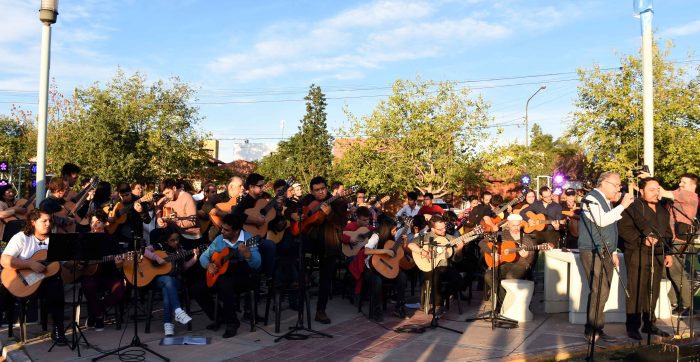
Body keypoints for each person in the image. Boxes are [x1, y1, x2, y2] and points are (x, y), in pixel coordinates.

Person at [578, 171, 634, 343]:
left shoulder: (607, 202)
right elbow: (601, 221)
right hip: (592, 250)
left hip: (607, 251)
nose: (619, 188)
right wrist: (622, 206)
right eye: (616, 185)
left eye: (619, 185)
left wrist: (615, 251)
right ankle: (591, 330)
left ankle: (598, 328)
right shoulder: (591, 199)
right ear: (604, 183)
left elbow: (611, 229)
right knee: (599, 290)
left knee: (604, 290)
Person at [0, 209, 67, 344]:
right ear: (33, 222)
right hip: (21, 279)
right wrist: (30, 264)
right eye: (44, 221)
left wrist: (79, 263)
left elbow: (64, 262)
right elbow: (4, 260)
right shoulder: (22, 237)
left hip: (43, 283)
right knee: (3, 293)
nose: (48, 224)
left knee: (56, 285)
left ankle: (58, 330)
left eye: (50, 221)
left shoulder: (55, 240)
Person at [619, 177, 673, 340]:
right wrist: (642, 239)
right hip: (637, 253)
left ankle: (649, 324)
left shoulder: (663, 210)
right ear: (641, 191)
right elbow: (623, 229)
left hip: (657, 255)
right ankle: (633, 326)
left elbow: (668, 233)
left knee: (653, 289)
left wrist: (668, 252)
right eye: (651, 189)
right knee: (636, 289)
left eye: (658, 189)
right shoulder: (633, 207)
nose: (656, 192)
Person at [199, 214, 261, 338]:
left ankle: (232, 323)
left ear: (237, 231)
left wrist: (248, 255)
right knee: (197, 288)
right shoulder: (219, 239)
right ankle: (221, 316)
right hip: (222, 277)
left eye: (226, 230)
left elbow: (257, 263)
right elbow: (203, 256)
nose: (222, 231)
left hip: (244, 277)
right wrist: (208, 265)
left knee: (225, 283)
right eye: (222, 228)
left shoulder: (249, 239)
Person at [299, 176, 349, 324]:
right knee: (303, 275)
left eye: (323, 189)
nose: (320, 192)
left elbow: (342, 223)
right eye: (317, 190)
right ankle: (301, 310)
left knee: (325, 279)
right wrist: (295, 214)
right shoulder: (307, 199)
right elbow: (292, 210)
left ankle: (321, 311)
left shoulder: (338, 203)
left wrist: (330, 215)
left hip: (329, 244)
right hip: (309, 243)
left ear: (327, 188)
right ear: (311, 191)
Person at [144, 228, 197, 336]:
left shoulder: (180, 250)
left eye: (177, 239)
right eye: (172, 240)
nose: (176, 242)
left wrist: (195, 257)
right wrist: (156, 258)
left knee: (168, 285)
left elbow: (184, 267)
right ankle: (177, 311)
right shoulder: (159, 246)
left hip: (174, 281)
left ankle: (169, 322)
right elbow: (143, 250)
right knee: (167, 281)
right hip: (157, 280)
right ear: (166, 241)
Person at [479, 213, 539, 310]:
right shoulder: (501, 235)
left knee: (510, 277)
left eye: (518, 225)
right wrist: (492, 253)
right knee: (489, 275)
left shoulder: (526, 239)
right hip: (504, 264)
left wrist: (527, 256)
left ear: (521, 224)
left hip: (521, 264)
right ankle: (505, 304)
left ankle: (506, 306)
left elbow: (531, 260)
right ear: (508, 225)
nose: (516, 228)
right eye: (513, 225)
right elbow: (481, 243)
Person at [362, 216, 409, 321]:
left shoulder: (393, 238)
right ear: (386, 229)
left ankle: (399, 307)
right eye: (393, 229)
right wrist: (385, 251)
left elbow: (400, 253)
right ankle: (376, 310)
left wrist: (404, 243)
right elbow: (366, 251)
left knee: (402, 277)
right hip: (373, 269)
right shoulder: (376, 236)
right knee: (377, 281)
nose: (395, 231)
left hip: (388, 269)